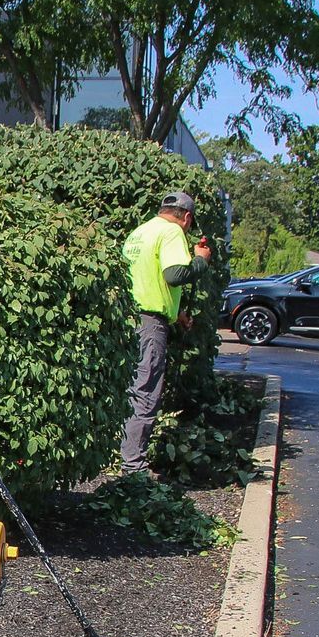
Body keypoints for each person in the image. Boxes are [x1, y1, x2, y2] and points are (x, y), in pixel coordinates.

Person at [119, 190, 213, 476]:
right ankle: (134, 468)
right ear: (186, 217)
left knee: (132, 387)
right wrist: (200, 260)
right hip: (150, 324)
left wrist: (176, 313)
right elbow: (174, 275)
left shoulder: (139, 232)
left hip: (129, 318)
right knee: (146, 391)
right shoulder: (172, 233)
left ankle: (126, 454)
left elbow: (149, 280)